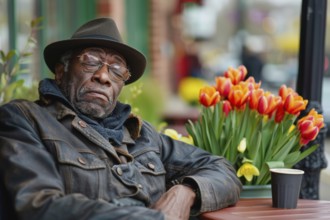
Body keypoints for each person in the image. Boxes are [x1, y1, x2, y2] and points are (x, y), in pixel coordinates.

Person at [0, 18, 241, 220]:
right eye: (91, 60)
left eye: (116, 69)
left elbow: (222, 169)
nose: (103, 76)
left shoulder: (140, 134)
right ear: (61, 71)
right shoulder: (25, 120)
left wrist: (186, 191)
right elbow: (41, 206)